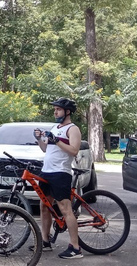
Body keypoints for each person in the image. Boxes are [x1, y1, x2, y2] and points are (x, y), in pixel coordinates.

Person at [33, 97, 83, 259]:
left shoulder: (72, 129)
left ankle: (75, 248)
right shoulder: (55, 127)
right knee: (44, 206)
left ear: (67, 112)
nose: (55, 112)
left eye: (58, 109)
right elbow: (45, 149)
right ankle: (46, 241)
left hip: (61, 173)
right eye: (54, 109)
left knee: (65, 209)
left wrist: (57, 140)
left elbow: (74, 150)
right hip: (46, 171)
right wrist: (39, 138)